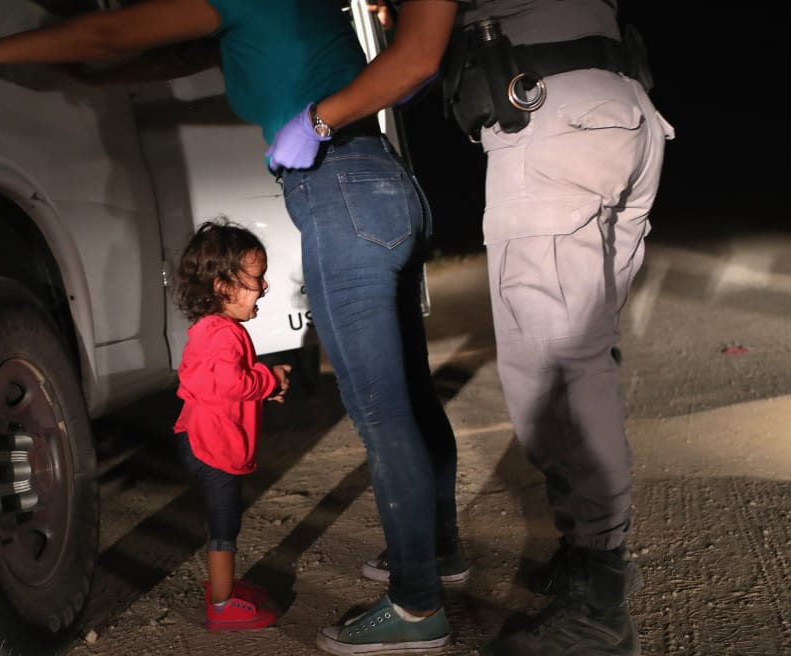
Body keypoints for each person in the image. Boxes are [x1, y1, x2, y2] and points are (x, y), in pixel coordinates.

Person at [0, 1, 465, 653]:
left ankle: (417, 606)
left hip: (339, 191)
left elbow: (109, 28)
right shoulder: (287, 11)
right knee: (410, 399)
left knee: (385, 415)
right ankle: (438, 551)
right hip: (384, 185)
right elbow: (172, 53)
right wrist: (93, 79)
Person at [268, 1, 675, 655]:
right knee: (584, 357)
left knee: (555, 376)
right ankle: (588, 556)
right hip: (619, 108)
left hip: (552, 124)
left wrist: (317, 119)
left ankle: (598, 604)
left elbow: (417, 57)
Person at [171, 220, 290, 631]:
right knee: (225, 527)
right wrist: (268, 379)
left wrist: (263, 384)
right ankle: (220, 604)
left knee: (225, 523)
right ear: (224, 287)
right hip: (212, 446)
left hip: (200, 438)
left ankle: (225, 587)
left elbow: (220, 382)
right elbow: (229, 383)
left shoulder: (212, 330)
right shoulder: (222, 333)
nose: (265, 287)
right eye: (257, 279)